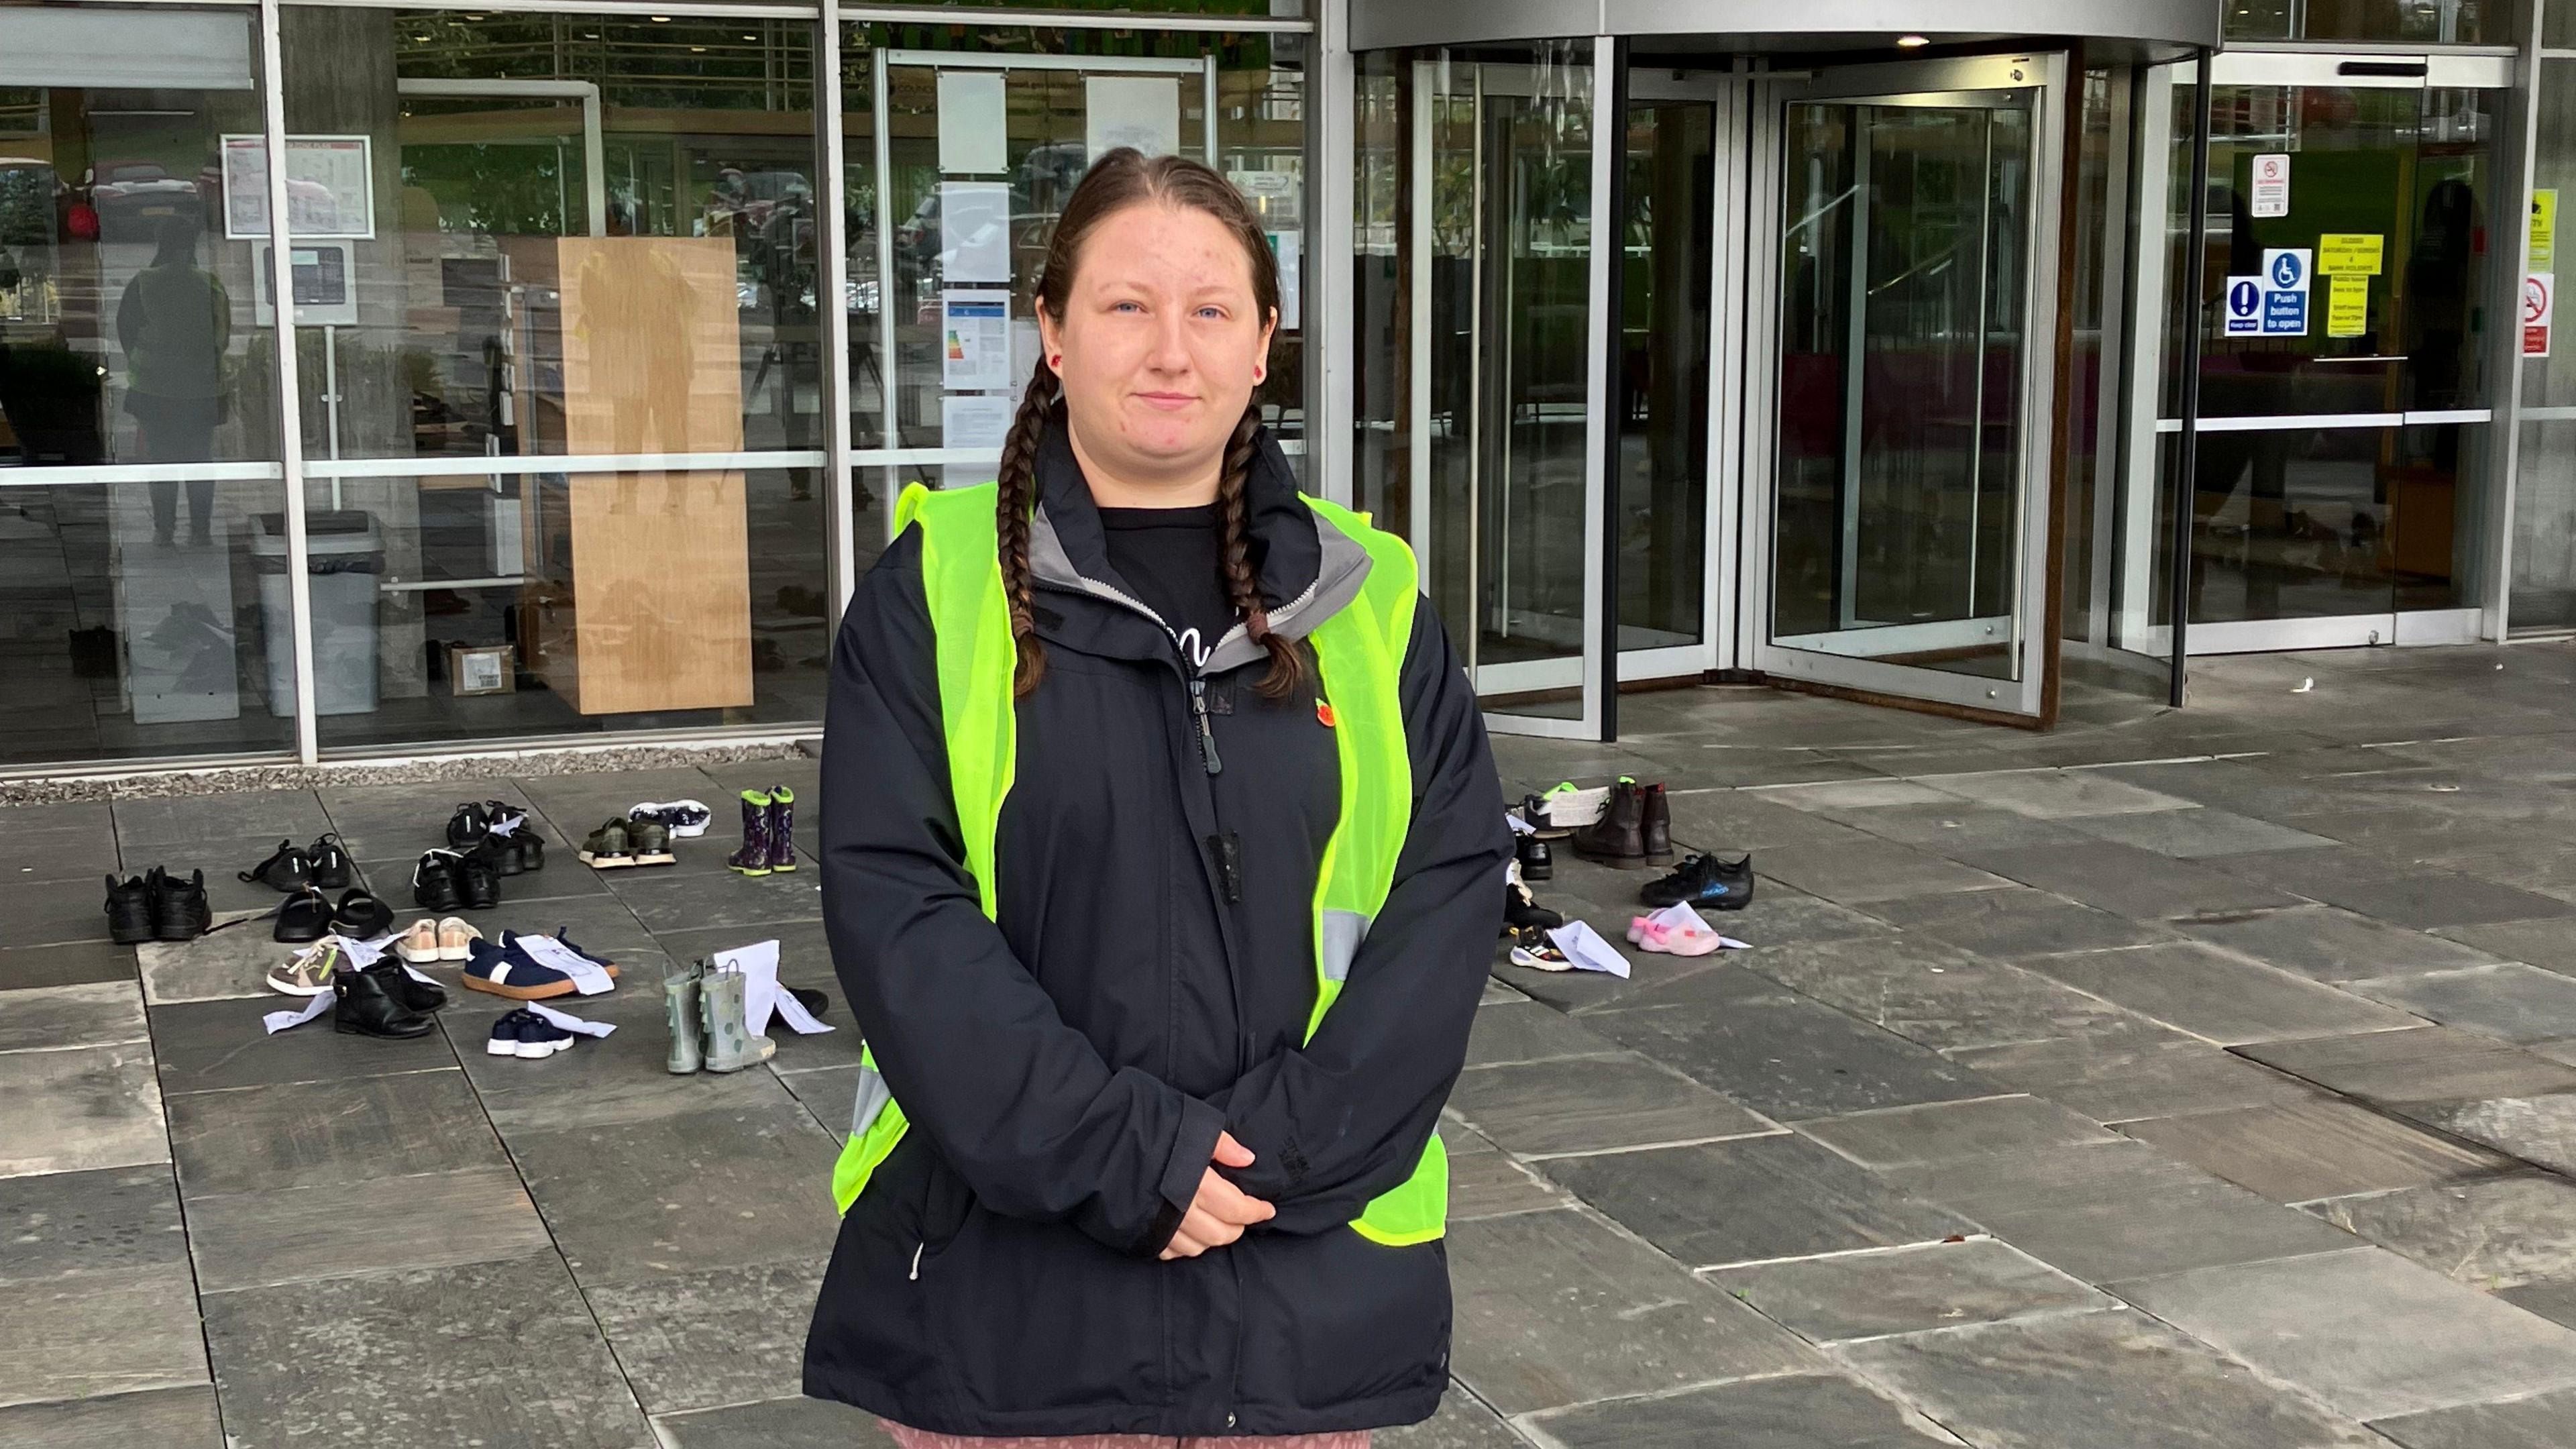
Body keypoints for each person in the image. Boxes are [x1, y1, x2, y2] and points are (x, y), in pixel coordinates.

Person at [803, 148, 1510, 1447]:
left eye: (1211, 310)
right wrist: (1129, 1158)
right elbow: (897, 907)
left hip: (1307, 1273)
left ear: (1263, 343)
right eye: (1127, 305)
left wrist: (1270, 1161)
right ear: (1054, 333)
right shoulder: (937, 588)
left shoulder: (1374, 596)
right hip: (1011, 1297)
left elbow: (1449, 893)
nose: (1169, 349)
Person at [115, 211, 228, 545]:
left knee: (161, 458)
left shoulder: (143, 282)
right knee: (200, 459)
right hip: (201, 387)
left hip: (153, 387)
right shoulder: (209, 283)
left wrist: (141, 360)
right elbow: (222, 336)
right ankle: (201, 529)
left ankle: (164, 527)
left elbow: (126, 329)